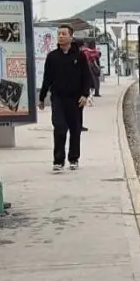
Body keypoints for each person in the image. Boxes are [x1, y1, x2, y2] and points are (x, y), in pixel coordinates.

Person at [38, 25, 93, 172]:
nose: (61, 36)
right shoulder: (52, 57)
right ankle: (58, 160)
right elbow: (47, 78)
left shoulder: (80, 56)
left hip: (76, 99)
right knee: (60, 127)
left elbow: (86, 77)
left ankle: (73, 158)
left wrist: (85, 94)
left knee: (75, 130)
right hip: (58, 98)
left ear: (71, 37)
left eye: (63, 34)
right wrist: (42, 97)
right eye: (59, 34)